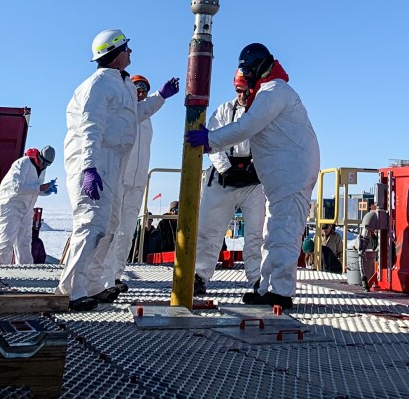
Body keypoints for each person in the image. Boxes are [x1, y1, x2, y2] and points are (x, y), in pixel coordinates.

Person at [187, 43, 320, 309]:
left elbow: (246, 127)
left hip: (288, 176)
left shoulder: (274, 92)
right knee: (273, 231)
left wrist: (209, 141)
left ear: (257, 68)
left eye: (247, 72)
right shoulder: (264, 94)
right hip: (276, 176)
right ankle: (266, 287)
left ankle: (280, 291)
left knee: (282, 232)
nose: (245, 80)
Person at [57, 28, 180, 311]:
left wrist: (161, 96)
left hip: (113, 164)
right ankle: (70, 290)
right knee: (90, 225)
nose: (131, 53)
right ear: (115, 55)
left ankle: (94, 285)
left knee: (109, 226)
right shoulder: (97, 85)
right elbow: (90, 128)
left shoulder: (121, 84)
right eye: (126, 48)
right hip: (95, 161)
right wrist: (89, 167)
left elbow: (134, 115)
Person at [193, 69, 266, 296]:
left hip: (254, 180)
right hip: (224, 179)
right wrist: (226, 169)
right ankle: (199, 275)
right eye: (239, 91)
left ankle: (258, 279)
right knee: (209, 230)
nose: (243, 96)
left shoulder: (262, 112)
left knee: (256, 234)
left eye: (247, 91)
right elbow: (212, 142)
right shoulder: (224, 111)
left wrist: (257, 166)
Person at [100, 74, 169, 295]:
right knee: (111, 230)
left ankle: (115, 276)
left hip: (138, 182)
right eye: (137, 87)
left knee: (126, 232)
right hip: (119, 178)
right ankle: (102, 279)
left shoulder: (147, 118)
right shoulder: (123, 111)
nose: (141, 92)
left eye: (144, 89)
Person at [0, 146, 57, 265]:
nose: (44, 166)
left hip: (26, 208)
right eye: (44, 163)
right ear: (39, 156)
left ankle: (24, 271)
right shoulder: (23, 163)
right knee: (6, 241)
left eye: (47, 165)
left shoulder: (42, 168)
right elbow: (17, 188)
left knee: (25, 242)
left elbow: (33, 190)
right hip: (10, 206)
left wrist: (46, 191)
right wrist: (42, 188)